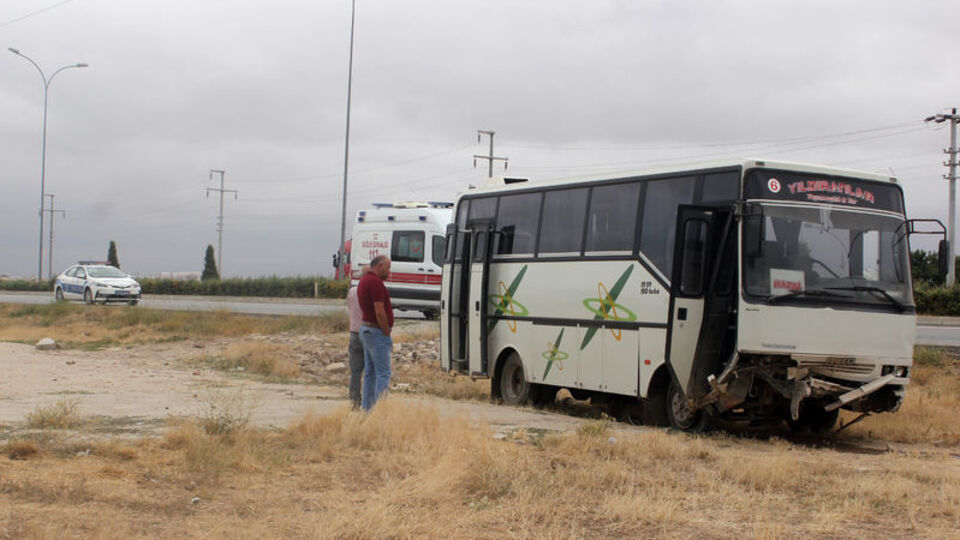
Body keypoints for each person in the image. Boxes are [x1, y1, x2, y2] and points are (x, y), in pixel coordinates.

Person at [357, 255, 393, 411]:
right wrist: (386, 332)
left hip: (366, 330)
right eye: (388, 267)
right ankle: (381, 412)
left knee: (370, 374)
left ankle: (367, 410)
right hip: (376, 332)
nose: (389, 271)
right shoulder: (376, 283)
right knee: (383, 373)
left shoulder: (364, 281)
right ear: (379, 266)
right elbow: (379, 312)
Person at [345, 274, 365, 410]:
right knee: (370, 371)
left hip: (354, 332)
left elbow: (349, 307)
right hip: (368, 332)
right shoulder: (370, 290)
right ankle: (371, 401)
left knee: (355, 371)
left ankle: (354, 400)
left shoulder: (352, 291)